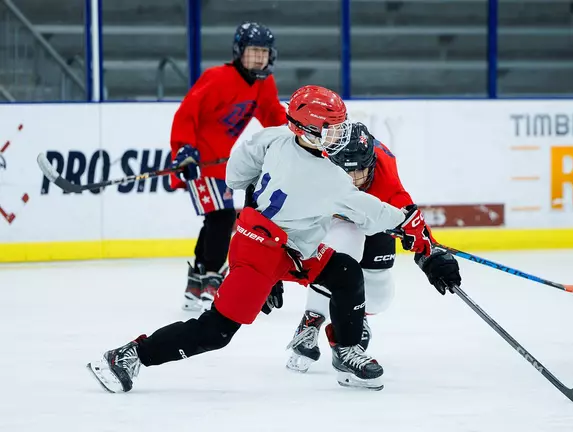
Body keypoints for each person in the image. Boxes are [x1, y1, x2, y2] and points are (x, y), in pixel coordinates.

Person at [86, 85, 438, 393]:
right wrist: (413, 229)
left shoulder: (273, 137)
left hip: (287, 244)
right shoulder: (328, 179)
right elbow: (377, 215)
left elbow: (236, 176)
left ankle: (346, 351)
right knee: (216, 331)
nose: (339, 136)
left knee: (345, 272)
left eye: (340, 126)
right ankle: (130, 355)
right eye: (331, 129)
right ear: (306, 130)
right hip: (261, 253)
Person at [285, 122, 462, 373]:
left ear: (372, 163)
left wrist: (431, 254)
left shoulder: (385, 175)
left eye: (361, 170)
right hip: (332, 218)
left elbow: (411, 221)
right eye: (347, 172)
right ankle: (312, 320)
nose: (355, 180)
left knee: (379, 297)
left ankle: (359, 316)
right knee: (343, 252)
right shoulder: (315, 164)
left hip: (372, 214)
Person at [169, 22, 287, 312]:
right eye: (253, 51)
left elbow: (273, 115)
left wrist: (294, 137)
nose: (259, 58)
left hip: (221, 165)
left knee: (216, 218)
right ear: (239, 52)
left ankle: (197, 280)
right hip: (198, 161)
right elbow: (187, 112)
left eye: (264, 52)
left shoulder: (264, 83)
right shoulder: (217, 77)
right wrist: (184, 149)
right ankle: (212, 276)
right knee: (222, 218)